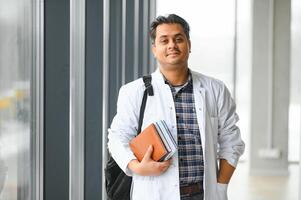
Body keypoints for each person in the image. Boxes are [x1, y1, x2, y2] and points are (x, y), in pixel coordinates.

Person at [108, 14, 245, 200]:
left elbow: (232, 141)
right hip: (154, 193)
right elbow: (117, 138)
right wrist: (135, 166)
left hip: (203, 194)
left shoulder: (215, 89)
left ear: (189, 45)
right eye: (164, 40)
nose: (172, 45)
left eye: (178, 39)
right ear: (154, 49)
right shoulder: (133, 92)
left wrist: (220, 187)